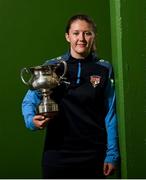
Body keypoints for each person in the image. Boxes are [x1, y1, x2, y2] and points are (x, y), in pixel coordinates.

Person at [22, 14, 119, 179]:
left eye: (87, 33)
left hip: (93, 154)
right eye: (76, 33)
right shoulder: (52, 67)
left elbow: (110, 113)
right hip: (57, 154)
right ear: (68, 36)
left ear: (94, 36)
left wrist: (112, 154)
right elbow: (29, 100)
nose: (81, 38)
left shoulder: (104, 68)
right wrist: (31, 120)